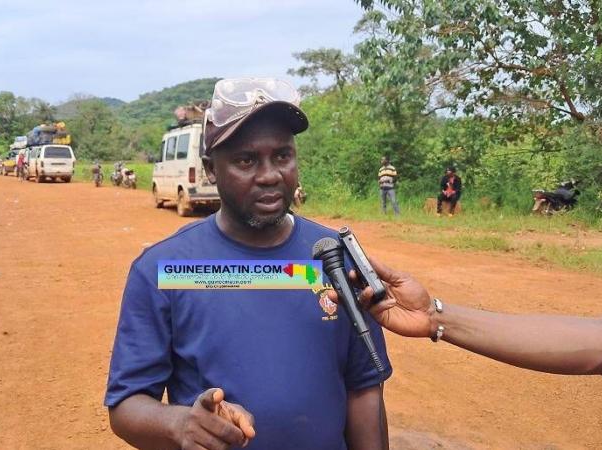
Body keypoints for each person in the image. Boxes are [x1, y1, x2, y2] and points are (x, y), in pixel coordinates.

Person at [105, 78, 392, 450]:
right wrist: (180, 424)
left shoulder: (332, 258)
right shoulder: (165, 270)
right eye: (246, 160)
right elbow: (126, 406)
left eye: (283, 156)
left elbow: (364, 387)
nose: (270, 175)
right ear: (210, 169)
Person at [327, 258, 602, 376]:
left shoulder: (322, 245)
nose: (279, 174)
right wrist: (432, 317)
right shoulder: (303, 263)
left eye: (285, 154)